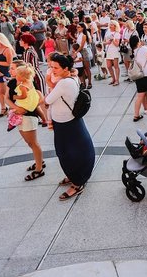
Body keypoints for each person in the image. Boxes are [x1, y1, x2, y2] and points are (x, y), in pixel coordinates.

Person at [45, 53, 96, 200]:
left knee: (68, 153)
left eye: (55, 67)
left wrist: (48, 81)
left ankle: (77, 182)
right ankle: (74, 175)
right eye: (51, 67)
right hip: (67, 121)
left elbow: (48, 100)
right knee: (69, 151)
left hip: (66, 123)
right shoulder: (71, 77)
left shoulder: (63, 83)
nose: (52, 70)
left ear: (65, 68)